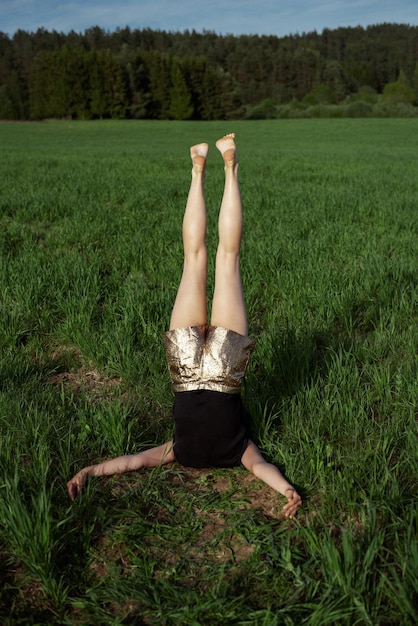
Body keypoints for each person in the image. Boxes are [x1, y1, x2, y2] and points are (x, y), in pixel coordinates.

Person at [67, 134, 302, 519]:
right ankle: (200, 167)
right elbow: (133, 462)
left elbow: (260, 469)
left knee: (224, 259)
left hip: (223, 367)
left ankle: (225, 167)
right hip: (188, 366)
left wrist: (89, 471)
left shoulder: (234, 451)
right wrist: (88, 471)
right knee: (196, 260)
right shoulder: (181, 451)